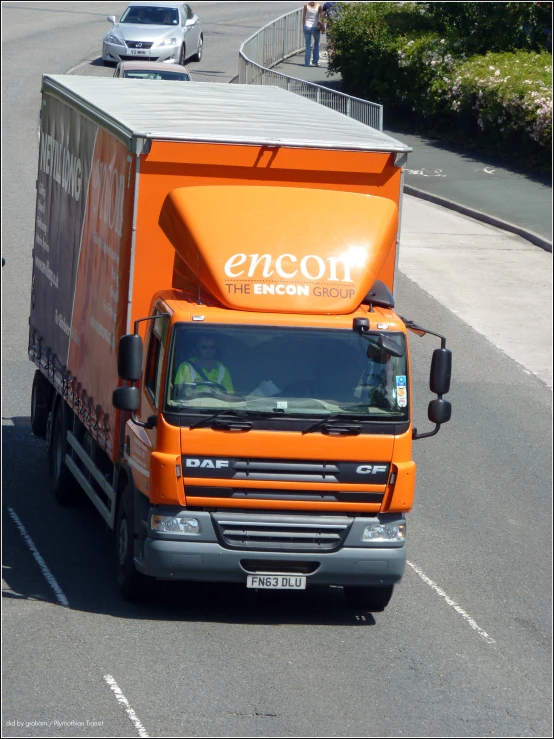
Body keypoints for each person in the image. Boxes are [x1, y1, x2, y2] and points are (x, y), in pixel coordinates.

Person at [302, 1, 322, 67]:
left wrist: (303, 27)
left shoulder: (306, 6)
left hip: (307, 27)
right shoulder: (318, 6)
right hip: (315, 27)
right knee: (317, 42)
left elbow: (304, 18)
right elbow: (321, 17)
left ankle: (307, 63)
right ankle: (315, 61)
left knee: (308, 44)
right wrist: (323, 27)